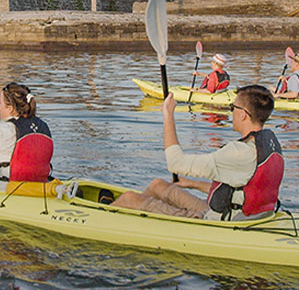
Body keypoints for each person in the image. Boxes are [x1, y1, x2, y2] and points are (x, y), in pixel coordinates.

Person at [112, 85, 283, 221]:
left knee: (129, 198)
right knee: (158, 185)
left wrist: (168, 115)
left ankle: (111, 217)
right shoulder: (266, 144)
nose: (231, 112)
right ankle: (134, 219)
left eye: (233, 107)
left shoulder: (237, 153)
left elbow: (175, 163)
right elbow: (238, 189)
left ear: (243, 115)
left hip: (218, 221)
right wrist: (192, 184)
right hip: (244, 213)